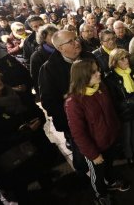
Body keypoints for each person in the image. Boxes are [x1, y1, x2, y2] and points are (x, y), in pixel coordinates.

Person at [0, 65, 58, 203]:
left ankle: (51, 191)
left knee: (42, 171)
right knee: (20, 187)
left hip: (34, 143)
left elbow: (35, 110)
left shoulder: (14, 92)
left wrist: (38, 119)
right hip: (11, 156)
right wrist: (24, 133)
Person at [65, 59, 129, 205]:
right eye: (93, 72)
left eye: (97, 70)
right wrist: (93, 154)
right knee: (97, 174)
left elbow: (110, 112)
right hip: (95, 147)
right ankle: (100, 193)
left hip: (110, 139)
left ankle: (111, 180)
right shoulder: (73, 102)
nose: (99, 73)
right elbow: (78, 133)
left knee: (109, 165)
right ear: (83, 76)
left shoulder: (100, 87)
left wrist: (116, 131)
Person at [39, 30, 96, 174]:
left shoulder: (89, 57)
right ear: (60, 48)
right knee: (80, 150)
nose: (77, 42)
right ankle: (83, 174)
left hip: (95, 114)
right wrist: (68, 120)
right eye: (70, 41)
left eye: (76, 38)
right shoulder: (49, 68)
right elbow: (48, 100)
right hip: (73, 120)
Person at [104, 49, 134, 168]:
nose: (126, 60)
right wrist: (127, 103)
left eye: (126, 57)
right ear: (114, 62)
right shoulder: (110, 78)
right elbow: (113, 99)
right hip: (124, 112)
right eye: (122, 59)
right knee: (126, 136)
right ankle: (129, 155)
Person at [30, 24, 59, 94]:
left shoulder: (61, 49)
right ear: (43, 38)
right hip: (52, 92)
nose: (56, 37)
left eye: (57, 34)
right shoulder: (37, 56)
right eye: (52, 34)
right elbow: (37, 79)